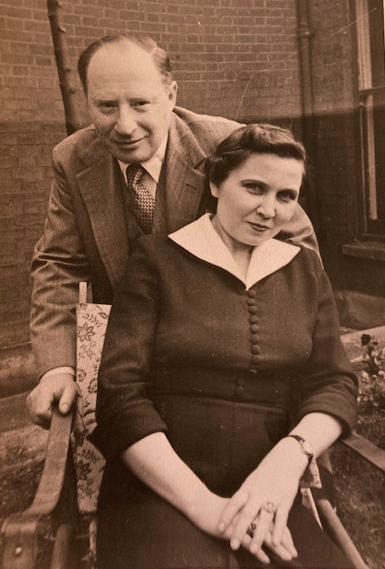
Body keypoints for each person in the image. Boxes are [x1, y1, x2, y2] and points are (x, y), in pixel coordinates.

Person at [89, 124, 358, 569]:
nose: (268, 211)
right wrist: (205, 508)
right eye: (254, 187)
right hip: (161, 489)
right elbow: (120, 397)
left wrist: (288, 462)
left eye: (286, 196)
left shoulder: (304, 269)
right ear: (215, 183)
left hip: (266, 486)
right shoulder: (157, 260)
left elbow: (335, 382)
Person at [27, 34, 318, 427]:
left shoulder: (224, 144)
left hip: (223, 361)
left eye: (141, 104)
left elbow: (296, 246)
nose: (125, 126)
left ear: (171, 93)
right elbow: (58, 265)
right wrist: (57, 368)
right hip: (125, 363)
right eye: (107, 106)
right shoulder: (71, 159)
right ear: (87, 102)